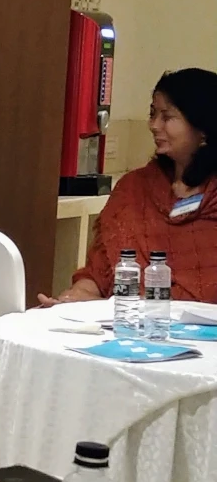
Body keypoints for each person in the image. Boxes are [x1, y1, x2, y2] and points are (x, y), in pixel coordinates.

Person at [43, 67, 217, 304]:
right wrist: (76, 297)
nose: (154, 125)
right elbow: (99, 270)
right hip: (124, 321)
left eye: (167, 117)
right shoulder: (135, 188)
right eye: (152, 114)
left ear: (203, 129)